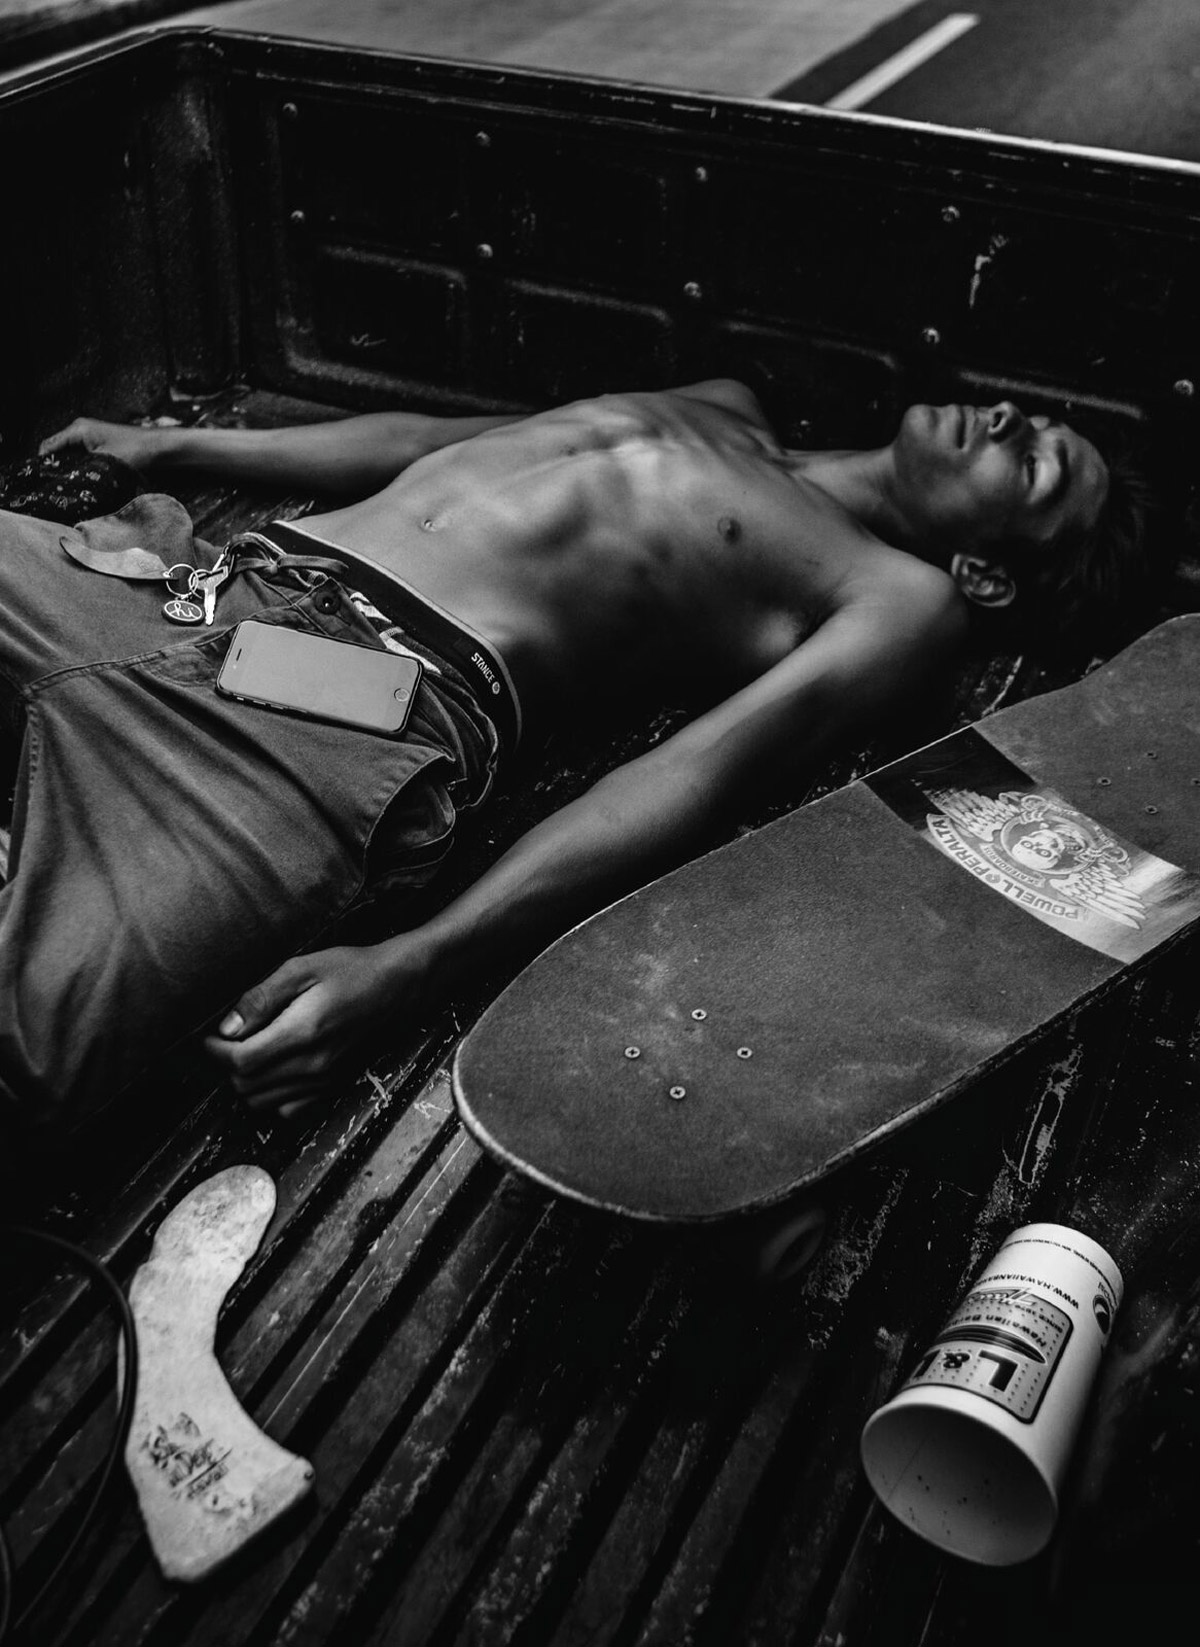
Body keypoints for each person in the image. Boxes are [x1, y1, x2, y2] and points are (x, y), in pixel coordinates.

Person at [2, 380, 1136, 1129]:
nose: (1007, 419)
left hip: (341, 711)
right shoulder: (726, 403)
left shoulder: (902, 594)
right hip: (206, 579)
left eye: (1037, 463)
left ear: (987, 574)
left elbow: (692, 774)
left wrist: (416, 963)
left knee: (31, 1047)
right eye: (1028, 417)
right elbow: (437, 441)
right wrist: (173, 441)